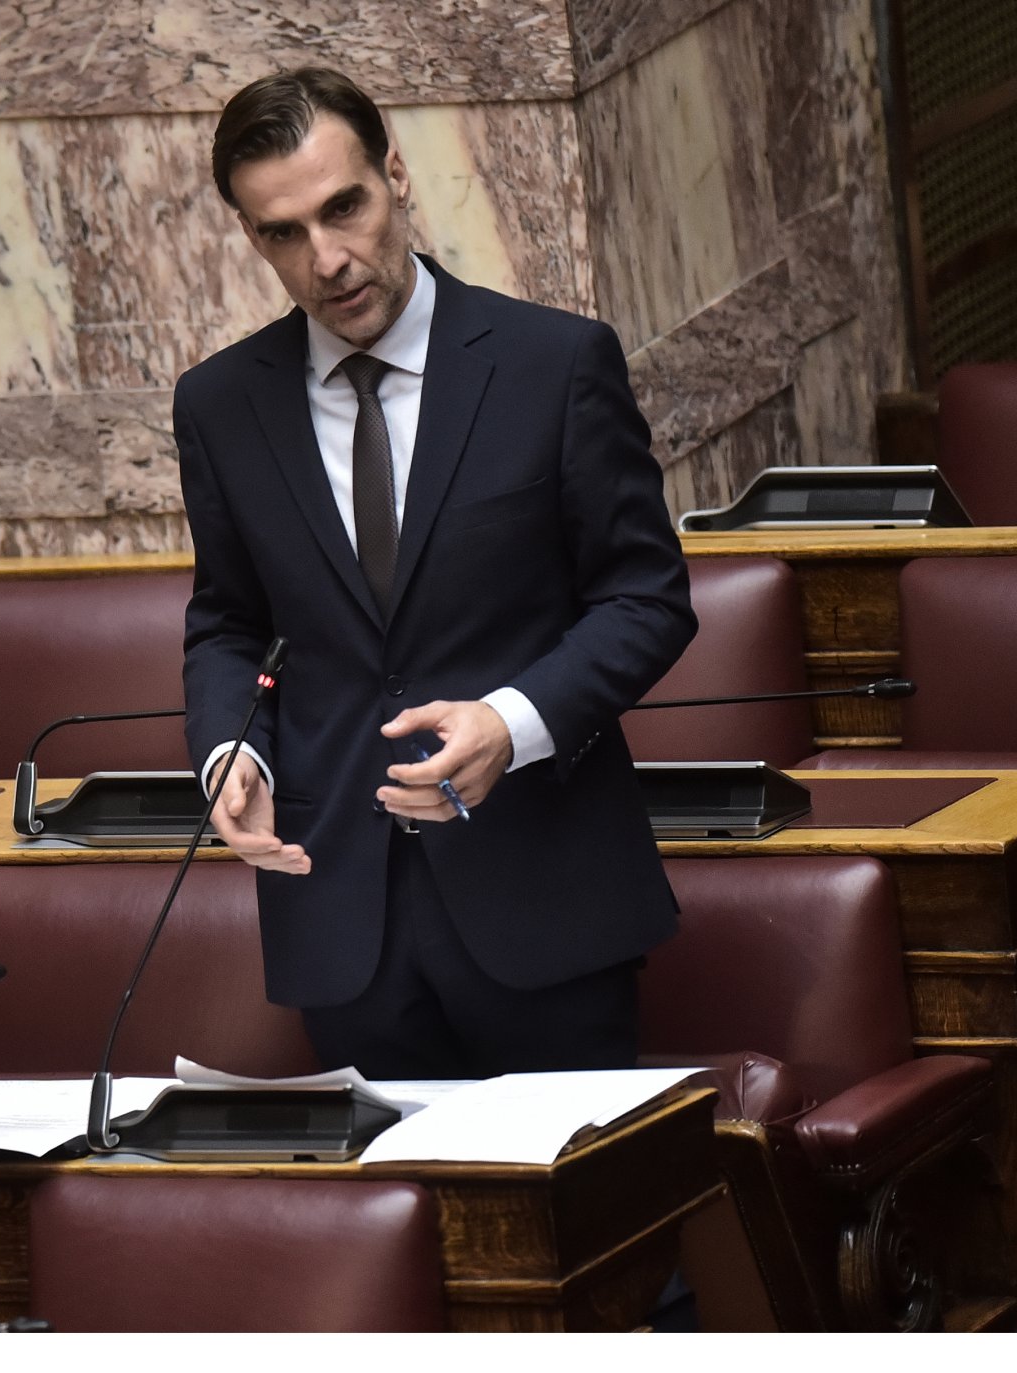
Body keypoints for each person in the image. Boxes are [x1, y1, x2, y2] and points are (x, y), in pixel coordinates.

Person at [177, 67, 696, 1080]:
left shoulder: (554, 364)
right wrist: (231, 751)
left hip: (544, 898)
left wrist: (511, 720)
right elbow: (230, 623)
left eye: (345, 207)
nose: (328, 259)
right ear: (249, 236)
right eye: (283, 232)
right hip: (339, 921)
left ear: (396, 176)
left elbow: (645, 599)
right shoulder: (220, 405)